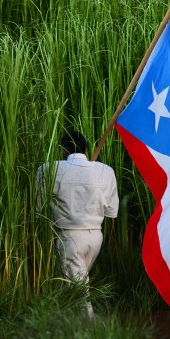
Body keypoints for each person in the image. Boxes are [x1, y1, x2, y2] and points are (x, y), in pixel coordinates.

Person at [35, 130, 119, 318]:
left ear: (63, 150)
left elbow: (37, 206)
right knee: (76, 284)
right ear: (86, 149)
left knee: (79, 289)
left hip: (70, 238)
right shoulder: (106, 171)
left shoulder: (49, 169)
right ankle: (67, 322)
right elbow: (112, 211)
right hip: (96, 237)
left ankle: (89, 329)